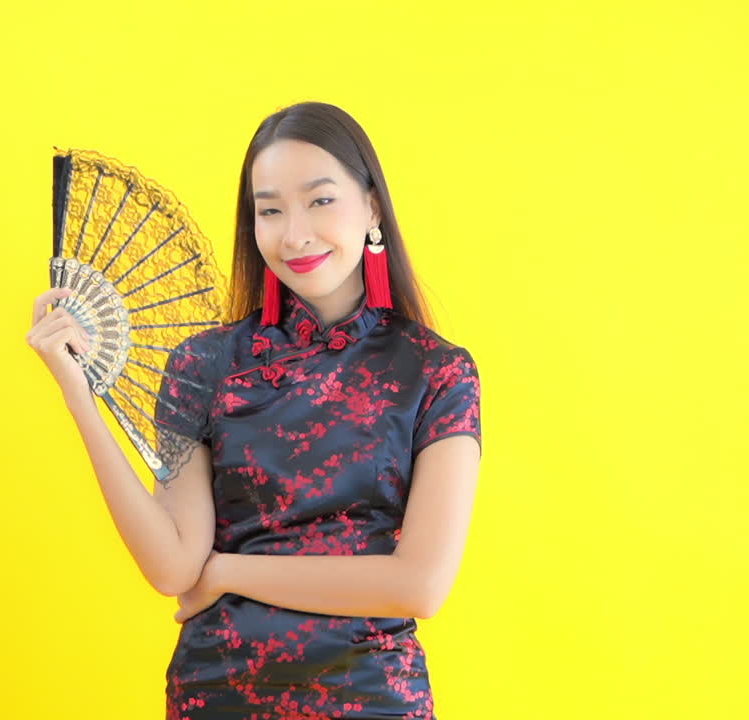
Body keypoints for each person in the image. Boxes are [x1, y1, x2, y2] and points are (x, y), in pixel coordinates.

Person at [27, 101, 482, 719]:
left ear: (372, 206)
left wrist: (227, 574)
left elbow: (419, 585)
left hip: (370, 698)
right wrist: (78, 393)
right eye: (270, 210)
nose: (294, 233)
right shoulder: (204, 364)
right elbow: (172, 565)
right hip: (216, 692)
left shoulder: (435, 371)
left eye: (320, 200)